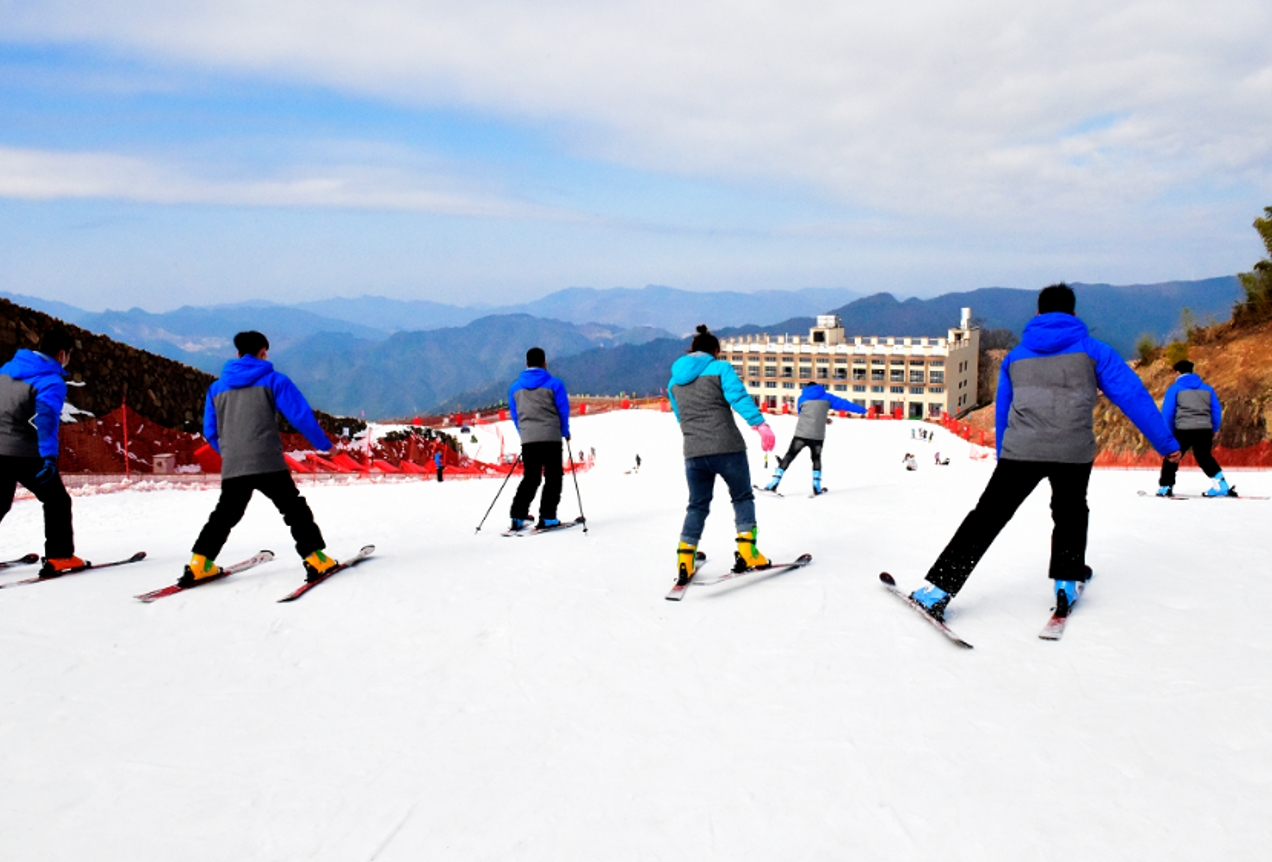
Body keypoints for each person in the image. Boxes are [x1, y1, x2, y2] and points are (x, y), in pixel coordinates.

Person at [908, 284, 1181, 620]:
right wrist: (1166, 445)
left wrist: (1004, 455)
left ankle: (938, 589)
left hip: (1020, 452)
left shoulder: (1015, 357)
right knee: (1070, 513)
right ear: (1074, 314)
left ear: (1037, 314)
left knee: (987, 517)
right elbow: (1133, 397)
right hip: (1073, 451)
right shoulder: (1095, 351)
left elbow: (1004, 410)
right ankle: (1066, 583)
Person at [181, 331, 339, 587]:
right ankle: (316, 559)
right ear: (263, 352)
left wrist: (232, 452)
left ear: (238, 353)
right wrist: (324, 445)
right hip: (267, 461)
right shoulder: (274, 380)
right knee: (293, 509)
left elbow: (210, 431)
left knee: (224, 514)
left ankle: (199, 564)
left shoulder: (216, 388)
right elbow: (300, 416)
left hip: (234, 464)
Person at [668, 325, 777, 583]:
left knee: (697, 504)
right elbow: (738, 397)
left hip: (694, 452)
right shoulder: (721, 368)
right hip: (728, 447)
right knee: (742, 498)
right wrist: (760, 424)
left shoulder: (674, 380)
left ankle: (685, 560)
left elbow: (680, 417)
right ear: (715, 351)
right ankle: (748, 552)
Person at [0, 328, 86, 577]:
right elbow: (46, 420)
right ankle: (60, 556)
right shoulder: (50, 380)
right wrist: (49, 457)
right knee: (57, 500)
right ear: (62, 354)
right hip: (23, 451)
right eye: (69, 354)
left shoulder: (6, 369)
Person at [762, 382, 866, 494]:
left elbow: (804, 413)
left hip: (801, 434)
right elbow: (846, 405)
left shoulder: (802, 398)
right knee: (816, 458)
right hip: (817, 436)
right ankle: (817, 486)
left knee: (789, 456)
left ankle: (773, 483)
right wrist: (864, 410)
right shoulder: (828, 397)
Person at [508, 347, 570, 531]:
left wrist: (524, 433)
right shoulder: (555, 384)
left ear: (526, 364)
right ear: (544, 363)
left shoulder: (515, 388)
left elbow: (515, 415)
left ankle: (517, 516)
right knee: (553, 476)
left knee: (531, 477)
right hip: (551, 436)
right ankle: (548, 516)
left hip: (528, 439)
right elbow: (563, 411)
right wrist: (565, 432)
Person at [1156, 359, 1228, 497]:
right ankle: (1221, 485)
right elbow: (1216, 410)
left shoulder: (1174, 389)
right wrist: (1214, 428)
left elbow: (1168, 412)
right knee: (1204, 457)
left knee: (1172, 456)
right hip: (1204, 429)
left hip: (1183, 429)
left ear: (1177, 372)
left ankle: (1166, 487)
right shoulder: (1207, 389)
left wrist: (1169, 431)